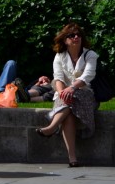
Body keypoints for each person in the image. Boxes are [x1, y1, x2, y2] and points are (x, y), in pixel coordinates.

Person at [36, 23, 98, 167]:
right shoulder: (60, 56)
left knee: (73, 97)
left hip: (84, 93)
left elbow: (88, 75)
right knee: (68, 112)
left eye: (78, 35)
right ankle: (72, 159)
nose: (76, 37)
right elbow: (58, 78)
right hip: (64, 94)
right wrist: (62, 92)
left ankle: (51, 128)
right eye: (71, 35)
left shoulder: (90, 55)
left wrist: (72, 88)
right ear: (65, 40)